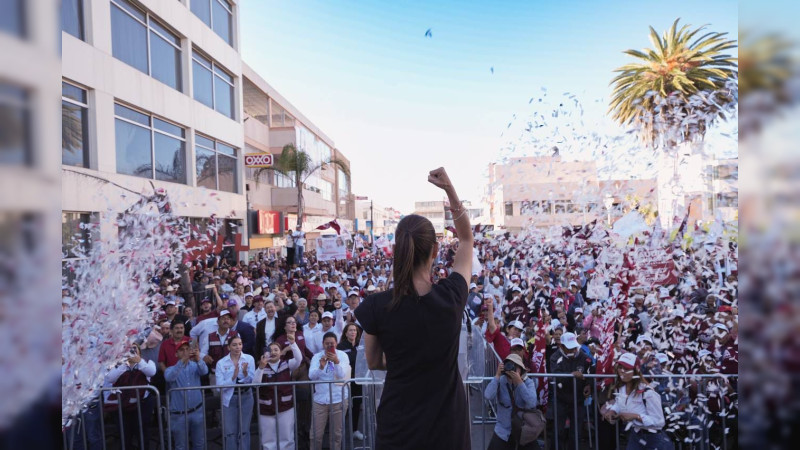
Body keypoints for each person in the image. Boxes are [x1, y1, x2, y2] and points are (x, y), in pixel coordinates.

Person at [354, 167, 473, 449]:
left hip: (399, 428)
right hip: (447, 430)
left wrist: (405, 361)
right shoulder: (451, 296)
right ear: (434, 251)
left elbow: (373, 362)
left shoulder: (376, 306)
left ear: (399, 250)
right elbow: (467, 239)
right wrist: (449, 189)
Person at [601, 353, 673, 450]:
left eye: (626, 368)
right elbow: (620, 403)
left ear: (635, 371)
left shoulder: (648, 392)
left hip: (654, 439)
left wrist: (636, 416)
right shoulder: (620, 388)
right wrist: (612, 411)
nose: (622, 371)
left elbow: (659, 422)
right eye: (620, 367)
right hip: (635, 436)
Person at [102, 343, 157, 450]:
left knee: (142, 435)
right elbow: (110, 378)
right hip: (123, 407)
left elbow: (151, 372)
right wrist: (125, 363)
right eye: (128, 349)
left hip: (142, 406)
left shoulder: (147, 362)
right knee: (125, 436)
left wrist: (138, 361)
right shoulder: (118, 365)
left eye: (134, 348)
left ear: (139, 351)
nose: (131, 351)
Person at [484, 354, 540, 450]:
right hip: (504, 429)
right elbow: (488, 395)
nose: (512, 369)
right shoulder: (501, 381)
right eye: (510, 365)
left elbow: (532, 403)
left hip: (524, 429)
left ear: (521, 369)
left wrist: (519, 383)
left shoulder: (528, 382)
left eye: (515, 366)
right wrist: (497, 375)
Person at [255, 341, 303, 450]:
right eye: (270, 350)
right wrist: (261, 368)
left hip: (285, 407)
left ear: (281, 352)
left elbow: (299, 359)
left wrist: (293, 343)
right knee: (268, 440)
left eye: (276, 350)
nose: (273, 352)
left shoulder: (287, 364)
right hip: (266, 408)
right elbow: (255, 384)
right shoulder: (262, 366)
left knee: (286, 438)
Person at [308, 332, 351, 450]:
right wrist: (321, 367)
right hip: (320, 400)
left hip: (339, 399)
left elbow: (342, 375)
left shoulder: (342, 356)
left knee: (336, 435)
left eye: (331, 343)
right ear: (322, 344)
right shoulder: (316, 357)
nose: (329, 346)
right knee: (315, 435)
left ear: (336, 343)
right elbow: (311, 375)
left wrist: (336, 362)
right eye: (327, 344)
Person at [164, 340, 208, 450]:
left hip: (197, 411)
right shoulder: (170, 369)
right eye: (182, 350)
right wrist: (182, 361)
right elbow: (169, 377)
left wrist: (198, 358)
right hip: (179, 415)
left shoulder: (195, 365)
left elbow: (204, 371)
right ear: (176, 354)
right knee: (181, 446)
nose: (185, 352)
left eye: (187, 349)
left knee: (199, 444)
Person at [215, 336, 255, 450]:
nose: (238, 347)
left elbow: (252, 381)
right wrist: (233, 377)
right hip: (229, 398)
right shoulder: (221, 363)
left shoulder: (249, 359)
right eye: (234, 345)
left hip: (246, 396)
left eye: (240, 344)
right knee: (230, 432)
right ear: (228, 347)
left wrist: (245, 373)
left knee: (244, 431)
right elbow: (219, 387)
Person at [337, 322, 365, 441]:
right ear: (346, 333)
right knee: (344, 406)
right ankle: (340, 431)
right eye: (350, 330)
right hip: (345, 381)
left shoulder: (361, 345)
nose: (353, 332)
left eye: (355, 330)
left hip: (358, 380)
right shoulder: (341, 346)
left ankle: (354, 430)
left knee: (357, 404)